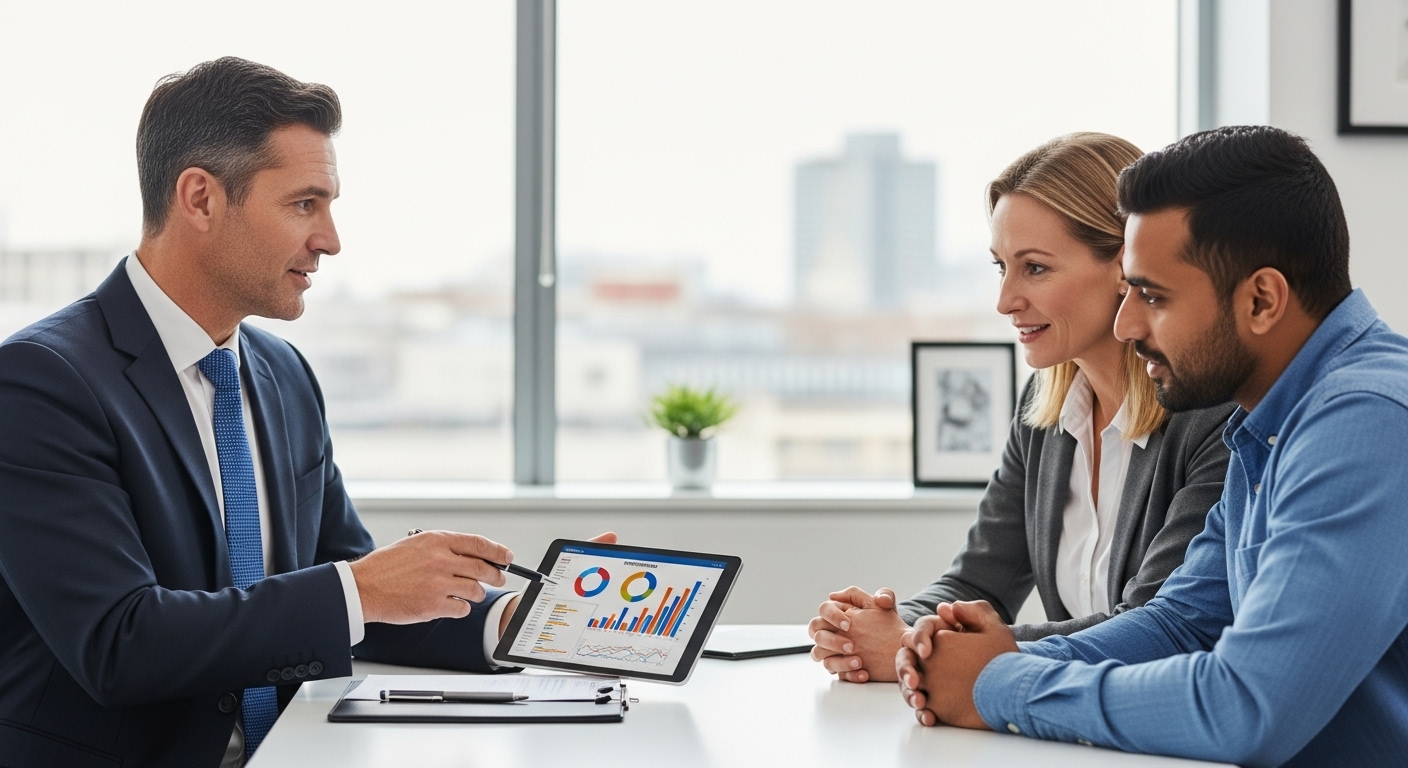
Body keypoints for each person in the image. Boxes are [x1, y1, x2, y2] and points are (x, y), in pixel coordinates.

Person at [0, 58, 609, 768]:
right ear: (199, 198)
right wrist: (361, 587)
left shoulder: (282, 374)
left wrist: (519, 623)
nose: (330, 239)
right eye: (303, 204)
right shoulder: (42, 383)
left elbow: (347, 599)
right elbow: (119, 642)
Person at [896, 125, 1408, 767]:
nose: (1126, 322)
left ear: (1261, 300)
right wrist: (986, 657)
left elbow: (1245, 706)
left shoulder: (1365, 420)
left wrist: (997, 682)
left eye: (1154, 296)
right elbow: (1180, 623)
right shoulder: (1270, 420)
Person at [808, 133, 1234, 684]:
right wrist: (878, 624)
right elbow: (978, 584)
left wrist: (916, 646)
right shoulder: (1046, 408)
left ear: (1125, 266)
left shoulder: (1212, 416)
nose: (1006, 300)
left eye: (1034, 268)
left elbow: (1152, 628)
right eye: (1001, 267)